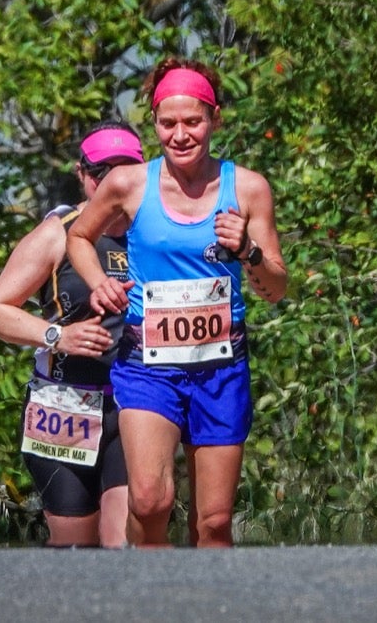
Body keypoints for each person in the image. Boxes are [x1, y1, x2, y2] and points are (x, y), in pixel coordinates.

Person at [68, 59, 288, 548]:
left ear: (214, 119)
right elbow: (79, 237)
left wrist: (247, 251)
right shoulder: (128, 185)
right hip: (147, 365)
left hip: (220, 368)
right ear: (154, 123)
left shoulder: (247, 188)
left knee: (212, 523)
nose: (181, 135)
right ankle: (151, 597)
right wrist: (99, 281)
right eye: (168, 124)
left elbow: (276, 288)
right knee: (149, 501)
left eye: (193, 122)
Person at [0, 121, 145, 547]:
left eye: (126, 169)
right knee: (75, 547)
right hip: (63, 403)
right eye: (100, 171)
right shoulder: (58, 232)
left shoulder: (155, 233)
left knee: (123, 541)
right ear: (82, 175)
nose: (113, 181)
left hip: (134, 403)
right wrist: (58, 336)